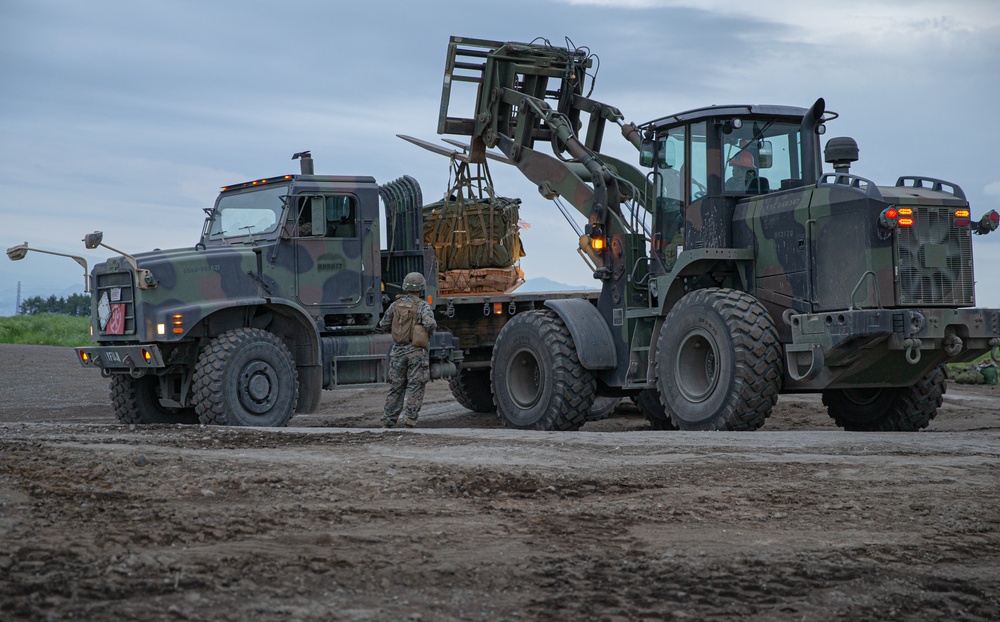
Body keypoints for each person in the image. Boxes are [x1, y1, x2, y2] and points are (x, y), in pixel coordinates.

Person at [379, 272, 437, 428]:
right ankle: (410, 419)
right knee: (415, 385)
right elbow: (430, 324)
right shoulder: (423, 306)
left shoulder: (395, 305)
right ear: (421, 288)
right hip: (417, 351)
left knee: (396, 386)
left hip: (398, 351)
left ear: (405, 286)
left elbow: (383, 324)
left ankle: (388, 419)